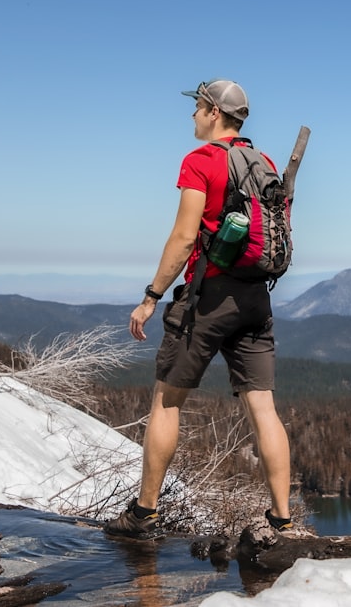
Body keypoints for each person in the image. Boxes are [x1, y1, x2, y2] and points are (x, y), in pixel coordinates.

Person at [104, 79, 292, 541]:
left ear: (212, 112)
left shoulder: (201, 161)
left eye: (196, 108)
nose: (192, 116)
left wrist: (151, 296)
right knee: (263, 409)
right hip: (256, 297)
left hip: (206, 298)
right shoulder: (264, 162)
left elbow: (185, 237)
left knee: (167, 401)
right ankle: (282, 521)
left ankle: (144, 515)